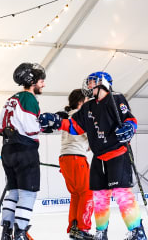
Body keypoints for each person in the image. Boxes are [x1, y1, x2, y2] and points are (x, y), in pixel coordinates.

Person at [39, 72, 147, 240]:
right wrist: (57, 121)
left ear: (102, 83)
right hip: (99, 157)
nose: (89, 86)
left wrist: (129, 128)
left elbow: (130, 119)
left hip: (118, 153)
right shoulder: (88, 106)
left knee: (121, 193)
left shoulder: (116, 99)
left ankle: (136, 231)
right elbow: (75, 126)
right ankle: (101, 232)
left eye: (91, 82)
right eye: (88, 82)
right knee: (99, 196)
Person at [0, 62, 47, 240]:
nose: (43, 84)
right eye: (41, 81)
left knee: (14, 192)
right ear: (32, 81)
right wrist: (45, 125)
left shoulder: (12, 98)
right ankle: (20, 233)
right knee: (28, 192)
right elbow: (32, 127)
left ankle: (6, 231)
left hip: (7, 149)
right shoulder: (28, 98)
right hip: (25, 150)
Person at [57, 89, 94, 240]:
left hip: (65, 158)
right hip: (76, 158)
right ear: (81, 102)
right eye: (86, 100)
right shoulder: (81, 116)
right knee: (87, 192)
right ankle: (83, 229)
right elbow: (92, 140)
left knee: (76, 194)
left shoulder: (69, 116)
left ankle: (74, 227)